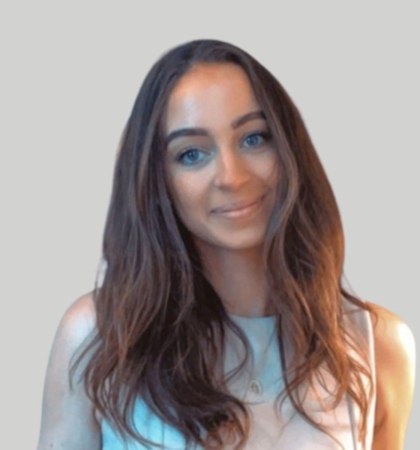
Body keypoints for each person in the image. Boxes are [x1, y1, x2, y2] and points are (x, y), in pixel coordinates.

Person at [37, 39, 415, 450]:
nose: (231, 177)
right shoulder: (101, 338)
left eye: (254, 139)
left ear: (289, 149)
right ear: (157, 180)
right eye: (192, 154)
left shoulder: (378, 347)